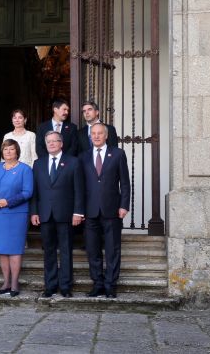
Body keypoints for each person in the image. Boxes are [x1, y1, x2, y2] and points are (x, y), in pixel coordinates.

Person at [78, 122, 130, 298]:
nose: (96, 136)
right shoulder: (83, 157)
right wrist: (79, 210)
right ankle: (98, 284)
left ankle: (110, 285)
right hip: (90, 210)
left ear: (106, 135)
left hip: (112, 210)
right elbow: (80, 186)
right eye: (93, 133)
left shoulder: (118, 154)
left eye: (100, 133)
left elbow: (125, 183)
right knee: (93, 250)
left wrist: (124, 205)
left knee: (112, 250)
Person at [30, 131, 82, 298]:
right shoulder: (38, 163)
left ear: (61, 143)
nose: (51, 144)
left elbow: (79, 189)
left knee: (66, 251)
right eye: (48, 142)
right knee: (49, 251)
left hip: (66, 214)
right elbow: (35, 191)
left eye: (55, 141)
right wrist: (34, 212)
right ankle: (50, 285)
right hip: (45, 214)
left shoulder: (73, 162)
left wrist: (78, 212)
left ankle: (66, 286)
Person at [0, 139, 33, 297]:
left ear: (17, 152)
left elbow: (27, 192)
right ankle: (5, 282)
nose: (8, 152)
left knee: (14, 249)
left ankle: (14, 284)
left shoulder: (25, 169)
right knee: (2, 250)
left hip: (16, 214)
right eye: (5, 149)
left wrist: (8, 202)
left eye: (11, 149)